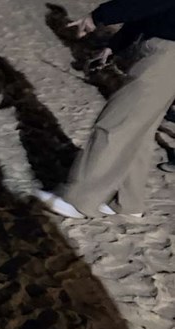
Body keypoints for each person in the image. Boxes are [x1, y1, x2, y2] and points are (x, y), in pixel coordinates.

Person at [37, 0, 175, 218]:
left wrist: (100, 16)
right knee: (140, 131)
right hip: (160, 49)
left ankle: (79, 200)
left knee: (117, 123)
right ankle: (127, 203)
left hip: (168, 55)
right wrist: (116, 44)